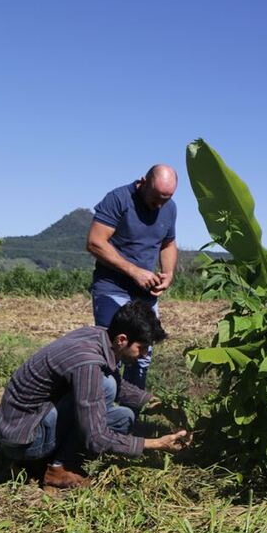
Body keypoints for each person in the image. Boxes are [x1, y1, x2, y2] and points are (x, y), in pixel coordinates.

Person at [0, 301, 190, 489]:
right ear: (122, 340)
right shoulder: (87, 361)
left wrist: (161, 406)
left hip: (28, 425)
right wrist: (157, 444)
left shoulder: (99, 336)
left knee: (124, 417)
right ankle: (58, 468)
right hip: (25, 438)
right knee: (106, 386)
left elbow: (120, 387)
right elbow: (96, 437)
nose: (145, 355)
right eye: (142, 347)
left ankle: (38, 464)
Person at [87, 164, 178, 390]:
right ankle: (103, 406)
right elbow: (95, 242)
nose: (159, 205)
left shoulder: (170, 208)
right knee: (113, 351)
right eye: (156, 199)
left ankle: (130, 409)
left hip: (145, 294)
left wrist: (168, 273)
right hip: (112, 288)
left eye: (166, 199)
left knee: (142, 354)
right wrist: (134, 271)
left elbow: (168, 244)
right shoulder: (119, 199)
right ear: (143, 182)